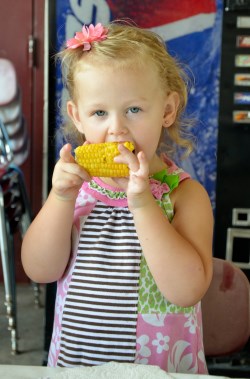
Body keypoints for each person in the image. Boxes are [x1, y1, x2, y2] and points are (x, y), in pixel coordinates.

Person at [21, 21, 214, 372]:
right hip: (77, 368)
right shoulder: (76, 191)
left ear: (167, 110)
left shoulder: (185, 195)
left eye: (134, 110)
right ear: (77, 117)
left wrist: (142, 204)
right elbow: (39, 270)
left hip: (157, 370)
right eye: (99, 113)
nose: (117, 128)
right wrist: (60, 198)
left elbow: (187, 291)